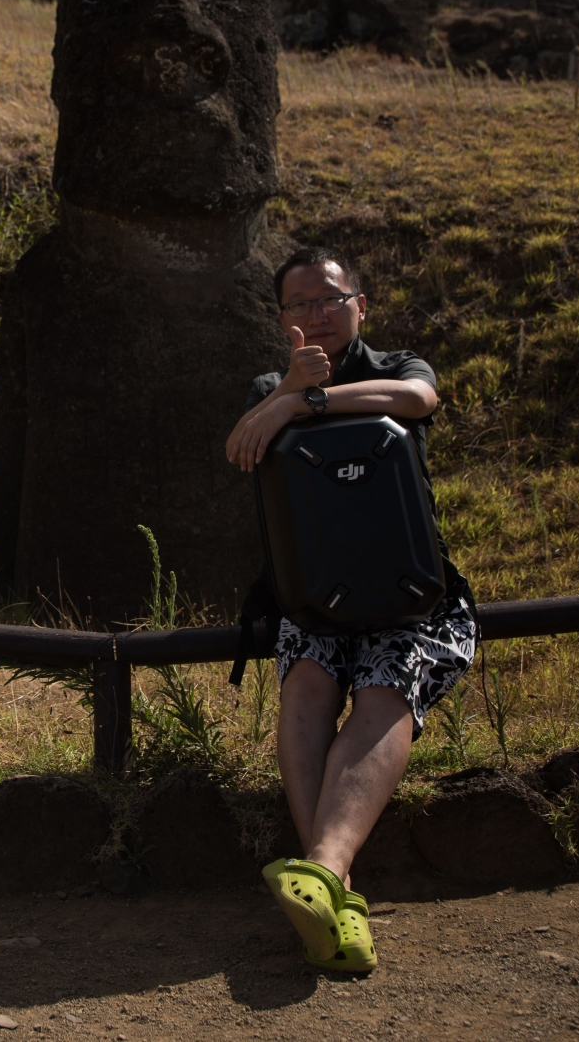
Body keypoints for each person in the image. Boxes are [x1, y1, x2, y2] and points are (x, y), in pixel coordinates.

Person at [223, 245, 479, 974]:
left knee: (382, 687)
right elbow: (244, 445)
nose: (317, 314)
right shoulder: (269, 383)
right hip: (314, 595)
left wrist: (313, 400)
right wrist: (286, 393)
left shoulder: (400, 365)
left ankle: (325, 873)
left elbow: (418, 403)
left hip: (411, 597)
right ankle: (334, 888)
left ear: (360, 304)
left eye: (330, 299)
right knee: (307, 682)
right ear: (281, 319)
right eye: (299, 304)